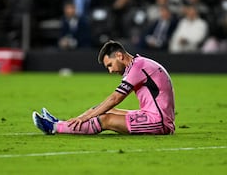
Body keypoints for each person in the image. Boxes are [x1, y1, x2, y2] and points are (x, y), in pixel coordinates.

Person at [32, 40, 175, 135]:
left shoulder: (138, 67)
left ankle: (54, 128)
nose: (110, 71)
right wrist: (83, 116)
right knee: (106, 110)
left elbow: (115, 98)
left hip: (158, 122)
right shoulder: (140, 63)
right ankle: (61, 123)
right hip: (152, 115)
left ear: (119, 55)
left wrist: (87, 116)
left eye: (110, 65)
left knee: (106, 119)